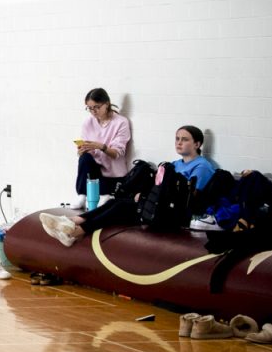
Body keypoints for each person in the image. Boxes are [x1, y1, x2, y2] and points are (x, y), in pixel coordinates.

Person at [42, 125, 216, 246]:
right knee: (114, 201)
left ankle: (75, 232)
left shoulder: (202, 167)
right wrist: (145, 194)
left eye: (184, 139)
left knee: (120, 208)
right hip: (158, 206)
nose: (178, 142)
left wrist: (150, 198)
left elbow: (191, 199)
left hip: (173, 214)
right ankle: (71, 222)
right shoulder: (176, 163)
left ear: (197, 144)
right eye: (177, 138)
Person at [73, 88, 131, 209]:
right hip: (96, 174)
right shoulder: (88, 123)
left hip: (113, 176)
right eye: (89, 108)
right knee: (84, 157)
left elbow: (116, 154)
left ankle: (104, 194)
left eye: (97, 107)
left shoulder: (121, 122)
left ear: (107, 104)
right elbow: (88, 151)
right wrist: (82, 150)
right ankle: (82, 195)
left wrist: (101, 146)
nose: (93, 111)